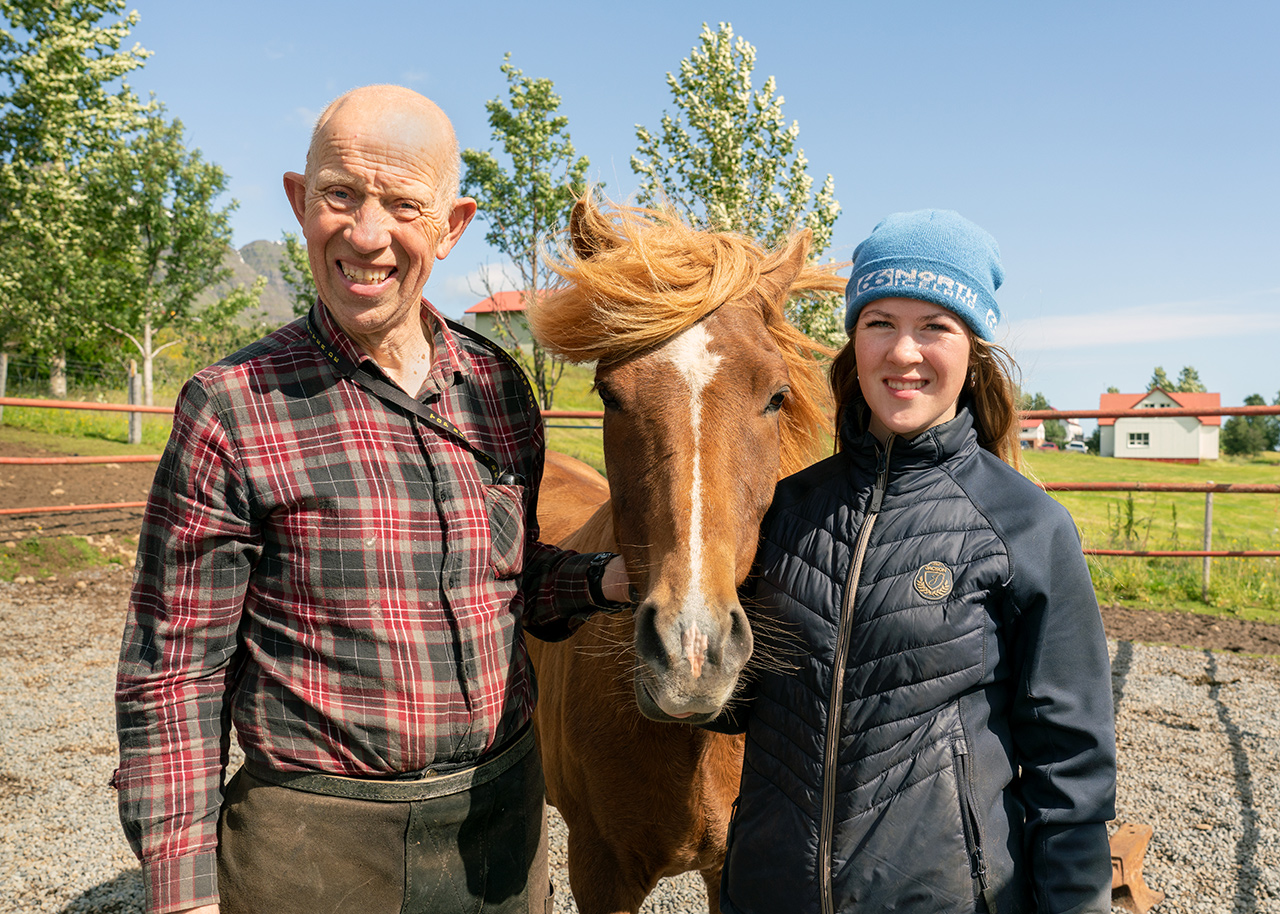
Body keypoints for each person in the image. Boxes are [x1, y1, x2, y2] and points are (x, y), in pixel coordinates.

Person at [113, 85, 631, 914]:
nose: (366, 234)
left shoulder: (496, 388)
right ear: (299, 200)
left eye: (402, 204)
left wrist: (606, 580)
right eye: (340, 195)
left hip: (497, 826)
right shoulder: (232, 405)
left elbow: (506, 582)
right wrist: (183, 891)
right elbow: (175, 669)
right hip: (314, 848)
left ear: (452, 226)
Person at [715, 210, 1117, 912]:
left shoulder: (1024, 526)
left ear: (972, 349)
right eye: (880, 323)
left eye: (935, 326)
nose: (903, 353)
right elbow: (735, 707)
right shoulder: (785, 512)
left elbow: (1071, 769)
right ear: (854, 341)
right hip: (769, 890)